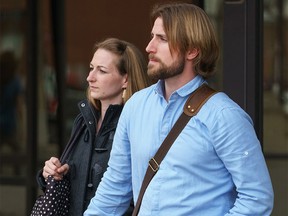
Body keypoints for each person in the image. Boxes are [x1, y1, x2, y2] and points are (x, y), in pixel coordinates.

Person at [84, 3, 274, 216]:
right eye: (152, 36)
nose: (149, 47)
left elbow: (256, 198)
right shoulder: (135, 107)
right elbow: (115, 187)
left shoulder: (224, 116)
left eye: (162, 39)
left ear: (192, 50)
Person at [36, 38, 152, 215]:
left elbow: (141, 194)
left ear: (125, 79)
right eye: (91, 68)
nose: (90, 77)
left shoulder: (135, 126)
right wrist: (52, 172)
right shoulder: (84, 121)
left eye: (102, 71)